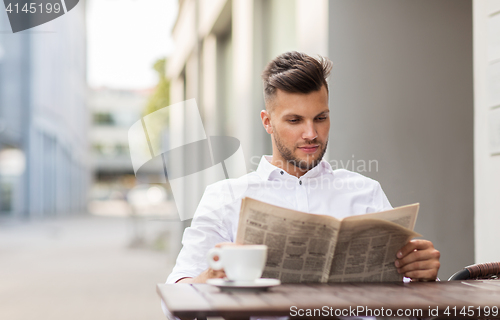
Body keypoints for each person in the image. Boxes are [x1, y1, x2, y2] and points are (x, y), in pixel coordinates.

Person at [166, 51, 440, 285]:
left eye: (320, 118)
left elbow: (408, 292)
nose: (311, 133)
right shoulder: (224, 198)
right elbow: (176, 296)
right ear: (267, 122)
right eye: (295, 120)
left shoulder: (366, 192)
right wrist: (210, 275)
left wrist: (422, 275)